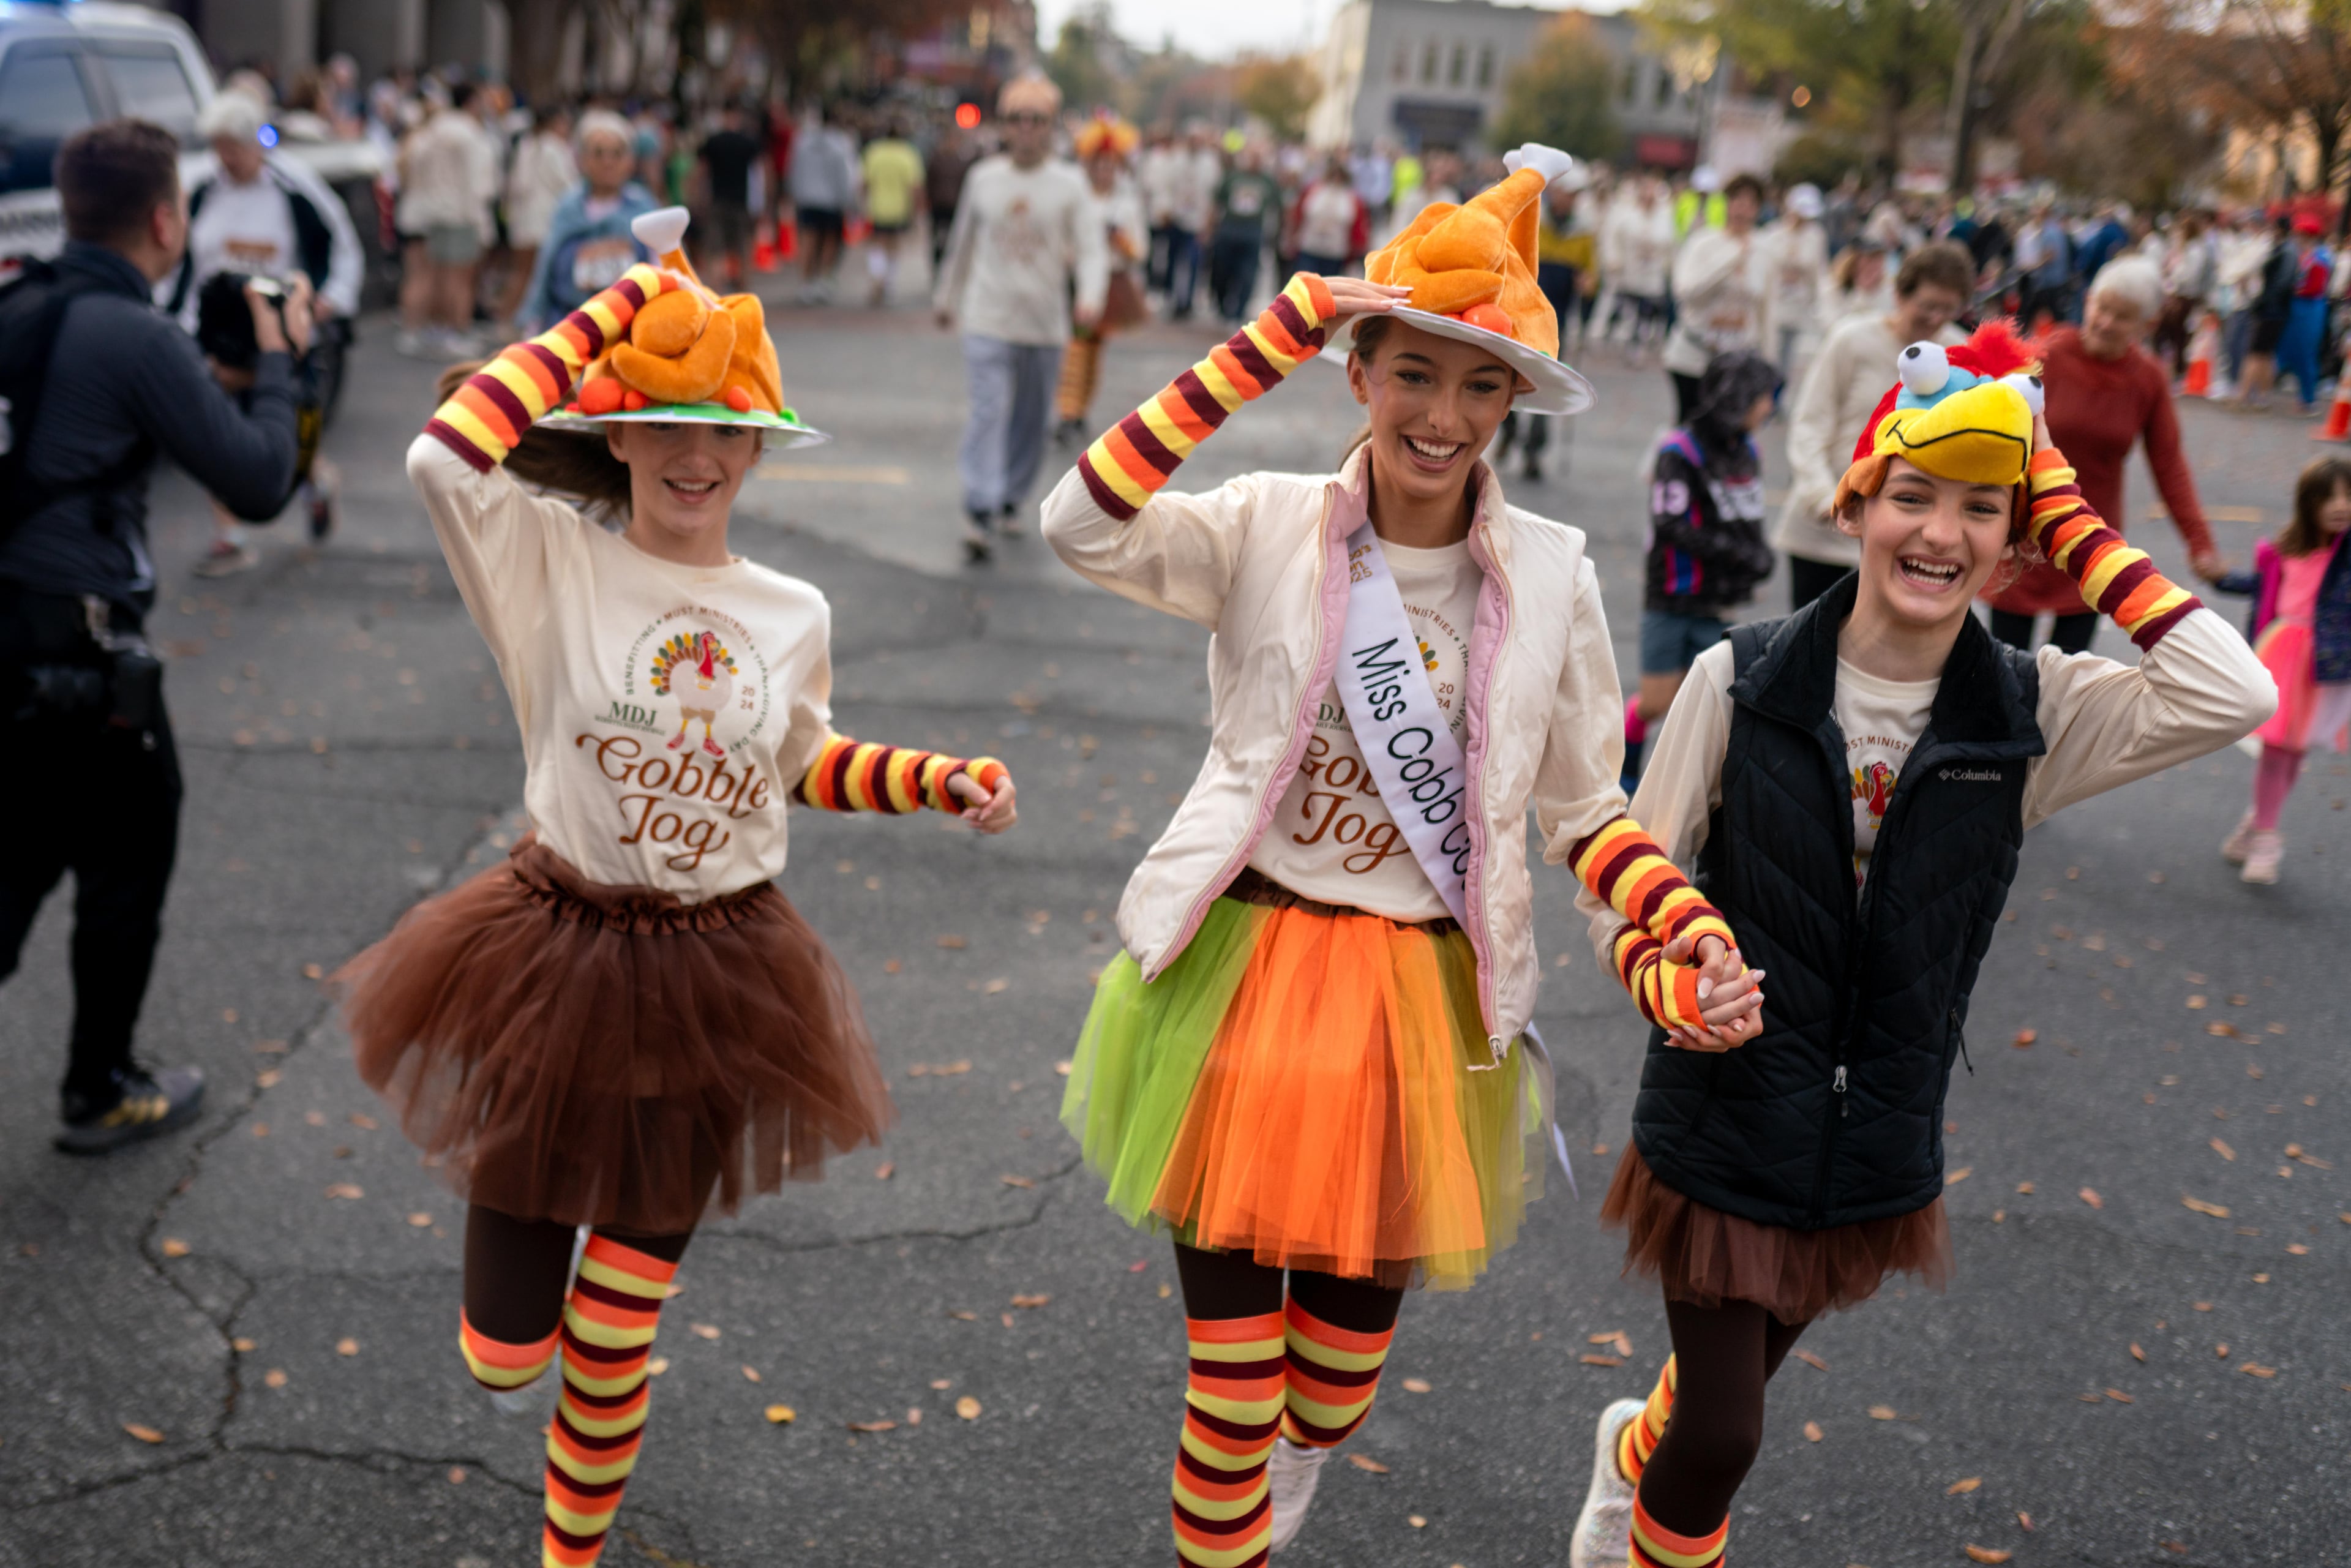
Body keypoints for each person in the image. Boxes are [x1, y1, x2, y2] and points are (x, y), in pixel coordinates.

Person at [1044, 147, 1764, 1568]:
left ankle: (1295, 1451)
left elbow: (1584, 809)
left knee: (1327, 1384)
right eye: (1413, 373)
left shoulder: (1549, 570)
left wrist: (1673, 923)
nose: (1443, 416)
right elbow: (1081, 521)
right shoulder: (1258, 525)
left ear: (1507, 403)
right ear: (1356, 370)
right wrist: (1260, 338)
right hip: (1237, 979)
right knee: (1232, 1386)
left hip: (1410, 1010)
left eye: (1479, 384)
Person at [341, 208, 1019, 1568]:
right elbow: (439, 449)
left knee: (615, 1332)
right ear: (620, 435)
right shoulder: (546, 555)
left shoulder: (792, 609)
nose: (699, 455)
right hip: (553, 953)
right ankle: (537, 1355)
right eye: (669, 422)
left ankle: (569, 1552)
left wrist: (934, 779)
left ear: (757, 449)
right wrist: (617, 311)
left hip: (720, 971)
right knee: (501, 1357)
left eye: (729, 431)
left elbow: (801, 759)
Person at [1564, 323, 2274, 1568]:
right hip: (1725, 1114)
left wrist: (2074, 515)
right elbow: (1625, 874)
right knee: (1729, 1432)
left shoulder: (2032, 713)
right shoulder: (1741, 681)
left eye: (1983, 510)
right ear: (1855, 504)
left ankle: (1636, 1447)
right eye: (1913, 496)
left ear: (2016, 544)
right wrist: (1671, 977)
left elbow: (2239, 691)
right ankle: (1660, 1484)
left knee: (1709, 1404)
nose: (1941, 532)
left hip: (1872, 1138)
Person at [0, 119, 302, 1153]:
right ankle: (102, 1088)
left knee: (19, 855)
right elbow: (261, 482)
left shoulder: (25, 298)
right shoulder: (135, 336)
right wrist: (278, 360)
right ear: (168, 219)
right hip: (80, 661)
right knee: (127, 854)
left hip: (9, 638)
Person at [1988, 257, 2223, 655]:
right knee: (2003, 669)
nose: (2105, 321)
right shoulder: (2047, 355)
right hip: (2023, 532)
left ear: (2146, 325)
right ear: (2088, 300)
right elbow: (1994, 434)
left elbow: (2169, 465)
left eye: (2123, 316)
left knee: (2067, 676)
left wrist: (2199, 542)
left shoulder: (2147, 379)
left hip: (2089, 539)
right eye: (2101, 307)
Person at [167, 89, 362, 566]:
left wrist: (328, 299)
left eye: (232, 146)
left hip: (279, 329)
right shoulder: (203, 191)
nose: (224, 157)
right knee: (215, 426)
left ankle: (314, 477)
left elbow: (340, 244)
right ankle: (229, 535)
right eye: (217, 146)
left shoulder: (294, 188)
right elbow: (180, 258)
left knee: (284, 426)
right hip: (216, 328)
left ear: (255, 142)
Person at [933, 74, 1108, 562]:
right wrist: (947, 296)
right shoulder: (984, 177)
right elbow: (963, 242)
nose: (1027, 130)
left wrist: (1090, 296)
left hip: (1044, 323)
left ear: (1052, 127)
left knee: (1031, 419)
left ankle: (1011, 494)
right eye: (1017, 120)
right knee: (989, 410)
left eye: (1037, 121)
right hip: (988, 316)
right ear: (1004, 125)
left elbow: (1093, 250)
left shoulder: (1070, 184)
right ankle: (980, 503)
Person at [1777, 242, 1974, 610]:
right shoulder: (1852, 339)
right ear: (1899, 294)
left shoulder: (1959, 355)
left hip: (1903, 538)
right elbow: (1810, 425)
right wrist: (1824, 498)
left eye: (1947, 310)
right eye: (1927, 306)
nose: (1935, 319)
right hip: (1825, 529)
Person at [1620, 350, 1780, 789]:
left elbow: (1747, 514)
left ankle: (1685, 788)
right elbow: (1670, 523)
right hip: (1672, 594)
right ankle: (1625, 761)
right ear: (1737, 398)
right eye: (1763, 397)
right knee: (1657, 700)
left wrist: (1759, 555)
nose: (1769, 407)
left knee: (1708, 702)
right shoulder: (1679, 450)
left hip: (1718, 599)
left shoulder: (1747, 449)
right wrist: (1735, 553)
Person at [2215, 455, 2351, 883]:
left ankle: (2255, 826)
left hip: (2328, 664)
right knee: (2278, 749)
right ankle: (2266, 839)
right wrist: (2219, 577)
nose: (2340, 505)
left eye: (2348, 495)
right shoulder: (2286, 551)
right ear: (2308, 503)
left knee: (2294, 751)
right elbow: (2263, 586)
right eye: (2329, 496)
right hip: (2285, 654)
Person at [1053, 116, 1148, 446]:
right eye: (1099, 165)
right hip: (1076, 281)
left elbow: (1140, 251)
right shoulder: (1076, 198)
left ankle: (1079, 411)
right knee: (1075, 348)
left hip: (1113, 283)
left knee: (1094, 350)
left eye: (1111, 165)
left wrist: (1120, 242)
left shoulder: (1128, 204)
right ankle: (1067, 411)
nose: (1105, 171)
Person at [396, 82, 497, 356]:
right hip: (458, 212)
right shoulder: (467, 133)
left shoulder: (429, 134)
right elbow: (480, 183)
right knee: (457, 279)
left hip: (432, 211)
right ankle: (453, 331)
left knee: (431, 276)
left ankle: (426, 330)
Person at [1663, 173, 1769, 421]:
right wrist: (1730, 261)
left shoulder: (1765, 250)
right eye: (1737, 201)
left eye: (1751, 203)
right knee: (1691, 427)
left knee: (1727, 434)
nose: (1743, 210)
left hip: (1737, 359)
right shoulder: (1704, 242)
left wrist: (1767, 366)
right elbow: (1686, 292)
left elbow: (1766, 310)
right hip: (1694, 356)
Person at [501, 103, 578, 324]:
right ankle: (522, 320)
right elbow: (568, 185)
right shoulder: (555, 148)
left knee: (519, 272)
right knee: (536, 276)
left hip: (523, 219)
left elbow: (517, 184)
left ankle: (506, 318)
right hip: (545, 220)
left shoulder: (526, 145)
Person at [1600, 175, 1674, 364]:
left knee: (1647, 313)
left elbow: (1670, 245)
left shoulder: (1665, 217)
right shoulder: (1626, 215)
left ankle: (1638, 346)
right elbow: (1613, 238)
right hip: (1629, 272)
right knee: (1625, 308)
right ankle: (1615, 335)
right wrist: (1613, 260)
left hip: (1652, 275)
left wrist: (1668, 267)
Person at [789, 103, 858, 303]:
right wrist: (848, 200)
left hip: (807, 198)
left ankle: (806, 281)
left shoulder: (802, 141)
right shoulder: (842, 143)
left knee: (808, 240)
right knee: (829, 241)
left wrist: (795, 193)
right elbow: (846, 175)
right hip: (832, 201)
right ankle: (823, 279)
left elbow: (794, 169)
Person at [1760, 182, 1828, 380]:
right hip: (1775, 301)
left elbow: (1818, 270)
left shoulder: (1816, 236)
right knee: (1770, 350)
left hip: (1799, 304)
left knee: (1788, 356)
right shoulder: (1773, 233)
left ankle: (1777, 394)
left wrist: (1818, 303)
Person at [1207, 144, 1281, 324]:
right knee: (1222, 269)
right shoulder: (1233, 177)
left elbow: (1277, 207)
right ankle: (1221, 303)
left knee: (1248, 274)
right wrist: (1210, 228)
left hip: (1253, 231)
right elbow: (1217, 203)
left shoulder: (1267, 181)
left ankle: (1238, 310)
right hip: (1230, 228)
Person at [857, 114, 924, 306]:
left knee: (877, 244)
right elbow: (915, 187)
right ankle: (888, 282)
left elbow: (864, 183)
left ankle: (878, 277)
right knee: (894, 246)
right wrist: (917, 211)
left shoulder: (873, 152)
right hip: (899, 208)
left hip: (877, 207)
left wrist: (861, 204)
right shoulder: (908, 154)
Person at [694, 102, 763, 290]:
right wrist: (761, 203)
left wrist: (699, 199)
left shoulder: (713, 142)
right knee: (743, 249)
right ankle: (743, 292)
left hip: (717, 202)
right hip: (742, 203)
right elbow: (758, 175)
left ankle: (716, 292)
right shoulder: (749, 142)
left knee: (716, 250)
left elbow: (702, 173)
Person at [2234, 214, 2297, 411]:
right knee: (2264, 353)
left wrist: (2261, 302)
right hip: (2275, 309)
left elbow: (2281, 284)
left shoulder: (2285, 251)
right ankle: (2261, 396)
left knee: (2256, 352)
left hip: (2272, 310)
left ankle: (2245, 395)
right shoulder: (2282, 249)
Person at [2275, 214, 2333, 412]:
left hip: (2310, 310)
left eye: (2300, 234)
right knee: (2286, 347)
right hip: (2296, 306)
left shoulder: (2320, 258)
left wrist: (2290, 289)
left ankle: (2309, 397)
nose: (2297, 238)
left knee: (2306, 352)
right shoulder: (2301, 254)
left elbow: (2315, 287)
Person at [1286, 152, 1368, 281]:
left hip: (1335, 252)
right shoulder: (1313, 190)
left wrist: (1357, 252)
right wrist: (1291, 238)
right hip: (1309, 247)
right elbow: (1298, 215)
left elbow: (1358, 227)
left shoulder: (1351, 198)